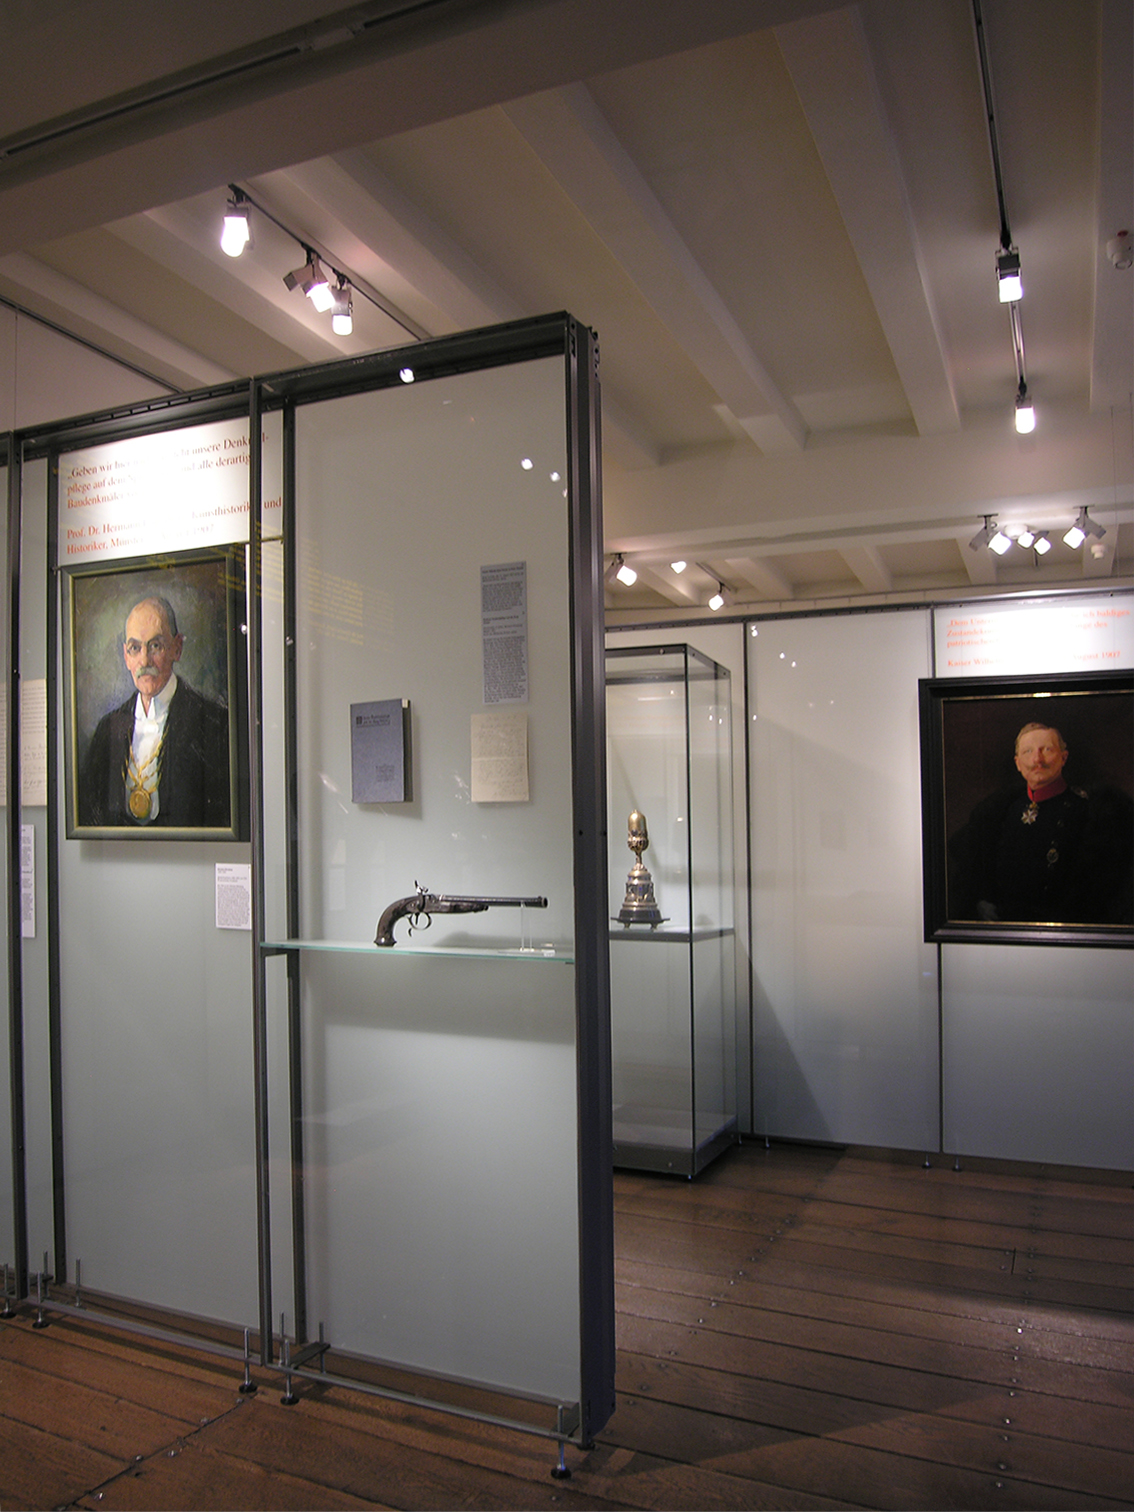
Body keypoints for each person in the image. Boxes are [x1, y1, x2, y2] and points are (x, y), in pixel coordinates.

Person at [948, 721, 1133, 925]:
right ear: (1018, 763)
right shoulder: (1001, 810)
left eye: (1047, 750)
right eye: (1028, 752)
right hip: (1005, 924)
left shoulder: (1087, 811)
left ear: (1063, 758)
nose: (1037, 759)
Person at [78, 594, 231, 829]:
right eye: (135, 648)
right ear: (126, 657)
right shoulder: (108, 729)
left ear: (177, 648)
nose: (144, 660)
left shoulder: (214, 723)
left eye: (155, 646)